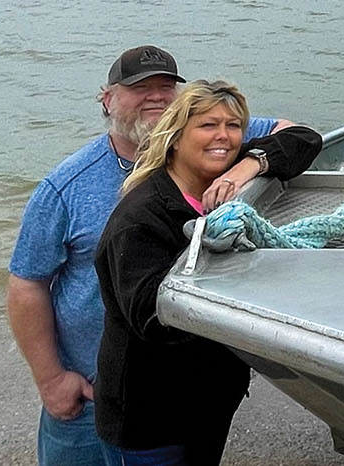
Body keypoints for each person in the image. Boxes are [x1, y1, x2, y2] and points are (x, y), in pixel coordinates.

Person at [7, 47, 296, 466]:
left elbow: (297, 134)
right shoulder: (67, 186)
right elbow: (27, 283)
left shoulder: (213, 145)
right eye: (140, 88)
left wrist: (246, 167)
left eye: (166, 88)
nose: (156, 97)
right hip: (94, 387)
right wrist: (51, 379)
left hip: (185, 384)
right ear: (106, 99)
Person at [93, 79, 322, 465]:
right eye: (208, 125)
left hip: (209, 402)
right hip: (149, 416)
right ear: (176, 137)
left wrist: (250, 166)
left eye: (234, 126)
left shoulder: (226, 176)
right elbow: (151, 317)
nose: (224, 137)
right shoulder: (141, 219)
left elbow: (306, 139)